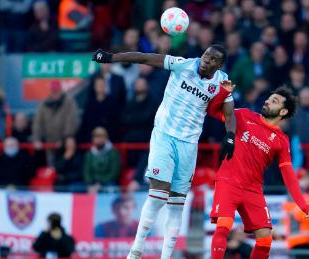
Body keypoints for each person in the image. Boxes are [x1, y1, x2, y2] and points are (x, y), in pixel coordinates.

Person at [92, 44, 237, 259]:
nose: (206, 60)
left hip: (189, 144)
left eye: (213, 59)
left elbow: (230, 114)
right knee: (158, 196)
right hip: (164, 136)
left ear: (220, 65)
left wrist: (231, 135)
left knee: (177, 203)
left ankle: (166, 256)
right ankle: (135, 251)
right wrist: (112, 57)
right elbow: (144, 58)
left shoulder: (221, 82)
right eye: (206, 55)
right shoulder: (183, 64)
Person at [206, 87, 309, 259]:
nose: (267, 101)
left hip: (253, 189)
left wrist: (301, 203)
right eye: (269, 98)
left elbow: (288, 173)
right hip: (229, 180)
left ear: (283, 111)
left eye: (274, 101)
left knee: (265, 240)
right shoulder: (244, 115)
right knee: (223, 227)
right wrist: (223, 93)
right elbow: (212, 110)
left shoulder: (281, 140)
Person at [32, 81, 79, 165]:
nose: (54, 93)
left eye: (56, 90)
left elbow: (72, 120)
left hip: (64, 144)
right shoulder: (44, 103)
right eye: (52, 90)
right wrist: (37, 139)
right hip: (49, 143)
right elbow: (37, 122)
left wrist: (65, 138)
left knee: (63, 165)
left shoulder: (69, 102)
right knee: (50, 165)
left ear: (61, 90)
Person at [82, 127, 121, 194]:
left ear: (106, 138)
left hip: (108, 182)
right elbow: (86, 172)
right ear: (92, 139)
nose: (99, 139)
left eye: (101, 136)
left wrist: (100, 184)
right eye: (96, 136)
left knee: (112, 188)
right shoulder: (89, 154)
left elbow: (114, 173)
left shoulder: (114, 153)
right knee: (77, 188)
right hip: (93, 183)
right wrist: (90, 184)